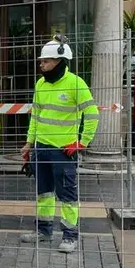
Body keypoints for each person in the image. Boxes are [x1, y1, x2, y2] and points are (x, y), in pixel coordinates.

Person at [19, 37, 99, 253]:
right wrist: (29, 143)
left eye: (46, 61)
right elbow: (36, 116)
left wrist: (81, 143)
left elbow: (92, 114)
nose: (41, 65)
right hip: (41, 148)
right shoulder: (40, 84)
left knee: (67, 195)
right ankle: (43, 231)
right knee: (43, 193)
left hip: (63, 151)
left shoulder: (76, 83)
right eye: (41, 61)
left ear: (60, 61)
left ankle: (70, 236)